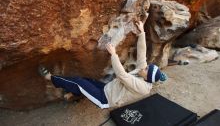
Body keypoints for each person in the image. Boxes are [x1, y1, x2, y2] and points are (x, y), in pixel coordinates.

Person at [39, 21, 167, 109]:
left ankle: (50, 78)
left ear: (147, 77)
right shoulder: (143, 72)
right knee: (86, 81)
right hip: (107, 88)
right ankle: (75, 94)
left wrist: (114, 54)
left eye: (145, 69)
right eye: (147, 66)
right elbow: (142, 53)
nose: (144, 67)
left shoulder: (142, 87)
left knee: (78, 82)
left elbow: (122, 75)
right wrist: (142, 32)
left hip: (104, 99)